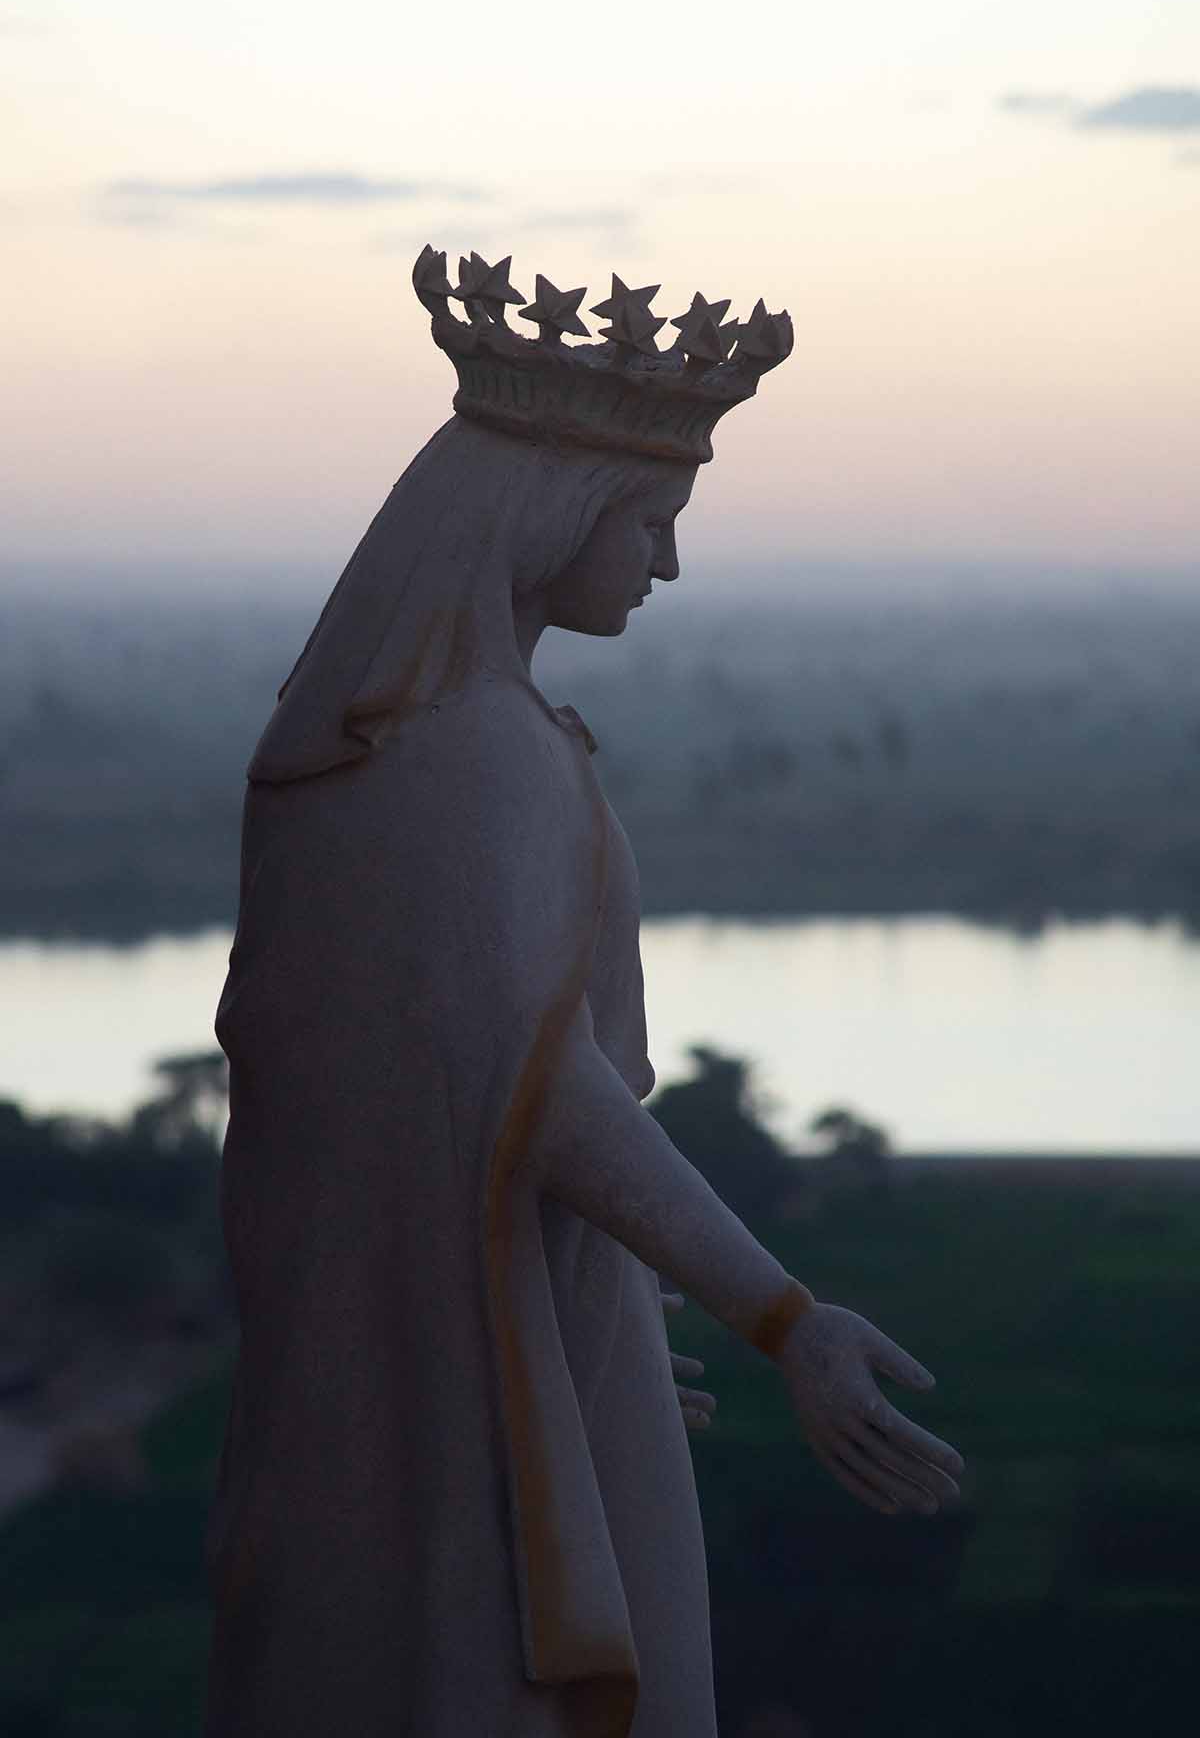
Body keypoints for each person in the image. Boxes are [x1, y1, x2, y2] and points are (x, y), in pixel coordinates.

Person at [203, 251, 964, 1738]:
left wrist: (573, 1304)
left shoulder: (370, 757)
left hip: (401, 1357)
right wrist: (783, 1312)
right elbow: (540, 1092)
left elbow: (414, 1107)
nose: (663, 566)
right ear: (551, 517)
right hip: (464, 1363)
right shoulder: (485, 759)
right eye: (652, 522)